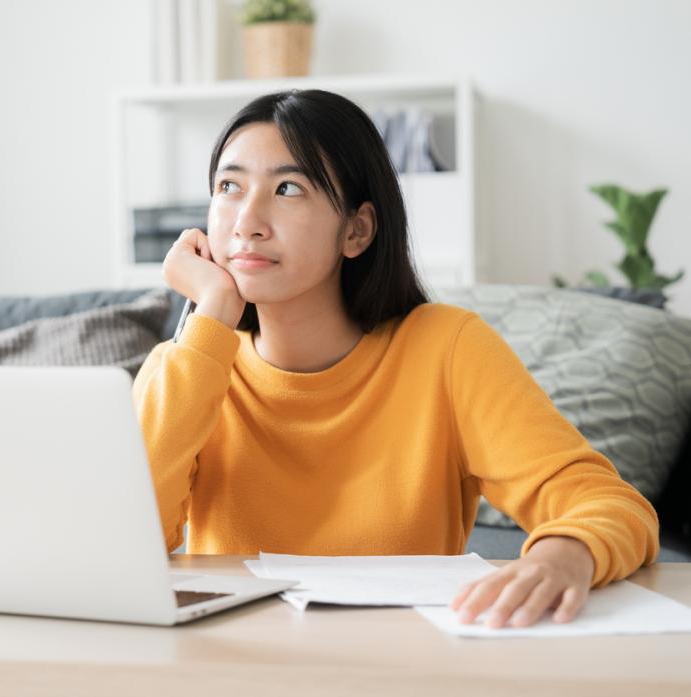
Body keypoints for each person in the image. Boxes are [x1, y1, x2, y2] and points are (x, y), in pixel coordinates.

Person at [131, 89, 659, 630]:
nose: (247, 220)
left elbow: (608, 504)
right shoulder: (188, 365)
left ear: (357, 230)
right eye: (229, 186)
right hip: (234, 663)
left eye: (288, 187)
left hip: (407, 659)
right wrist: (211, 315)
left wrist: (561, 557)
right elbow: (126, 543)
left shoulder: (447, 350)